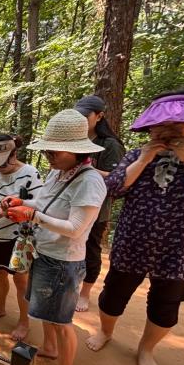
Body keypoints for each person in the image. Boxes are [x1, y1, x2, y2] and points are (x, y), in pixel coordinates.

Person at [85, 89, 184, 365]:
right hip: (133, 239)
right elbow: (113, 188)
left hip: (181, 246)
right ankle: (106, 332)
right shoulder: (138, 153)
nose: (168, 132)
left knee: (165, 305)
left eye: (178, 125)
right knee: (114, 293)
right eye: (161, 126)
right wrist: (143, 159)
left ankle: (147, 347)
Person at [3, 110, 106, 365]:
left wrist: (31, 215)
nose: (49, 156)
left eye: (54, 152)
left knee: (62, 321)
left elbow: (76, 228)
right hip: (44, 252)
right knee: (48, 313)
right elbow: (44, 202)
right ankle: (49, 348)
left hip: (64, 261)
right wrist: (20, 203)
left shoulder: (89, 181)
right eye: (47, 151)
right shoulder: (59, 173)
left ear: (76, 151)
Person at [0, 134, 43, 339]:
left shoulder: (30, 173)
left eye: (3, 161)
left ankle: (24, 321)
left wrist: (8, 213)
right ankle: (0, 308)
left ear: (14, 154)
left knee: (21, 279)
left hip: (20, 236)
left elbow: (40, 205)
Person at [73, 96, 126, 312]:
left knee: (90, 251)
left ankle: (84, 293)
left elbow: (118, 179)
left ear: (99, 116)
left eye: (86, 116)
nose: (81, 120)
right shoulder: (74, 140)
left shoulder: (109, 145)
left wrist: (86, 167)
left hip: (96, 209)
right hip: (71, 203)